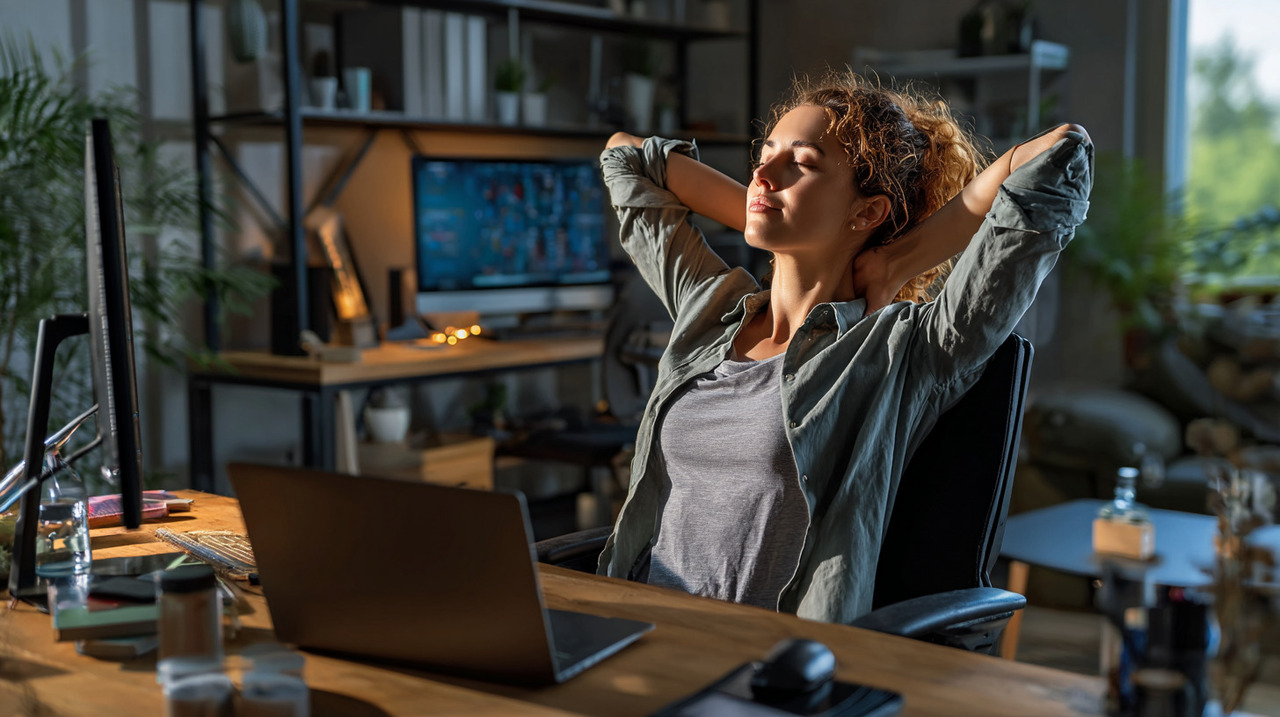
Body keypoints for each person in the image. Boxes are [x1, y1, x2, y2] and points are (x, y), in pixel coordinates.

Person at [596, 70, 1093, 625]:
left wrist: (899, 257)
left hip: (766, 668)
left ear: (867, 212)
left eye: (800, 163)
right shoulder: (710, 310)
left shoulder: (904, 349)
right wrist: (768, 209)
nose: (763, 172)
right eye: (766, 153)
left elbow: (1059, 153)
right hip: (631, 628)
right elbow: (625, 157)